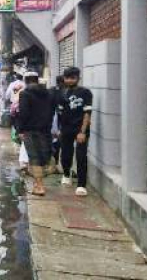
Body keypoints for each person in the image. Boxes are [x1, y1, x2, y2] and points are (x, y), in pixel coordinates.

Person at [16, 72, 56, 196]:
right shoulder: (49, 93)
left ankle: (39, 186)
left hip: (30, 130)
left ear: (26, 81)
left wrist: (20, 130)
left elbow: (24, 113)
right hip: (45, 129)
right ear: (37, 80)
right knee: (44, 156)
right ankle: (39, 182)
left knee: (34, 158)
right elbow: (52, 111)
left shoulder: (25, 93)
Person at [57, 67, 93, 197]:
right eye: (67, 77)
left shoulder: (85, 92)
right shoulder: (62, 93)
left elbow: (87, 113)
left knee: (81, 156)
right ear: (64, 78)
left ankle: (81, 184)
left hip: (80, 129)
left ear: (78, 78)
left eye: (73, 77)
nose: (70, 80)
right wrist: (60, 129)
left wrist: (83, 131)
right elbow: (60, 114)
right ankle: (67, 174)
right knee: (66, 155)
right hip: (66, 129)